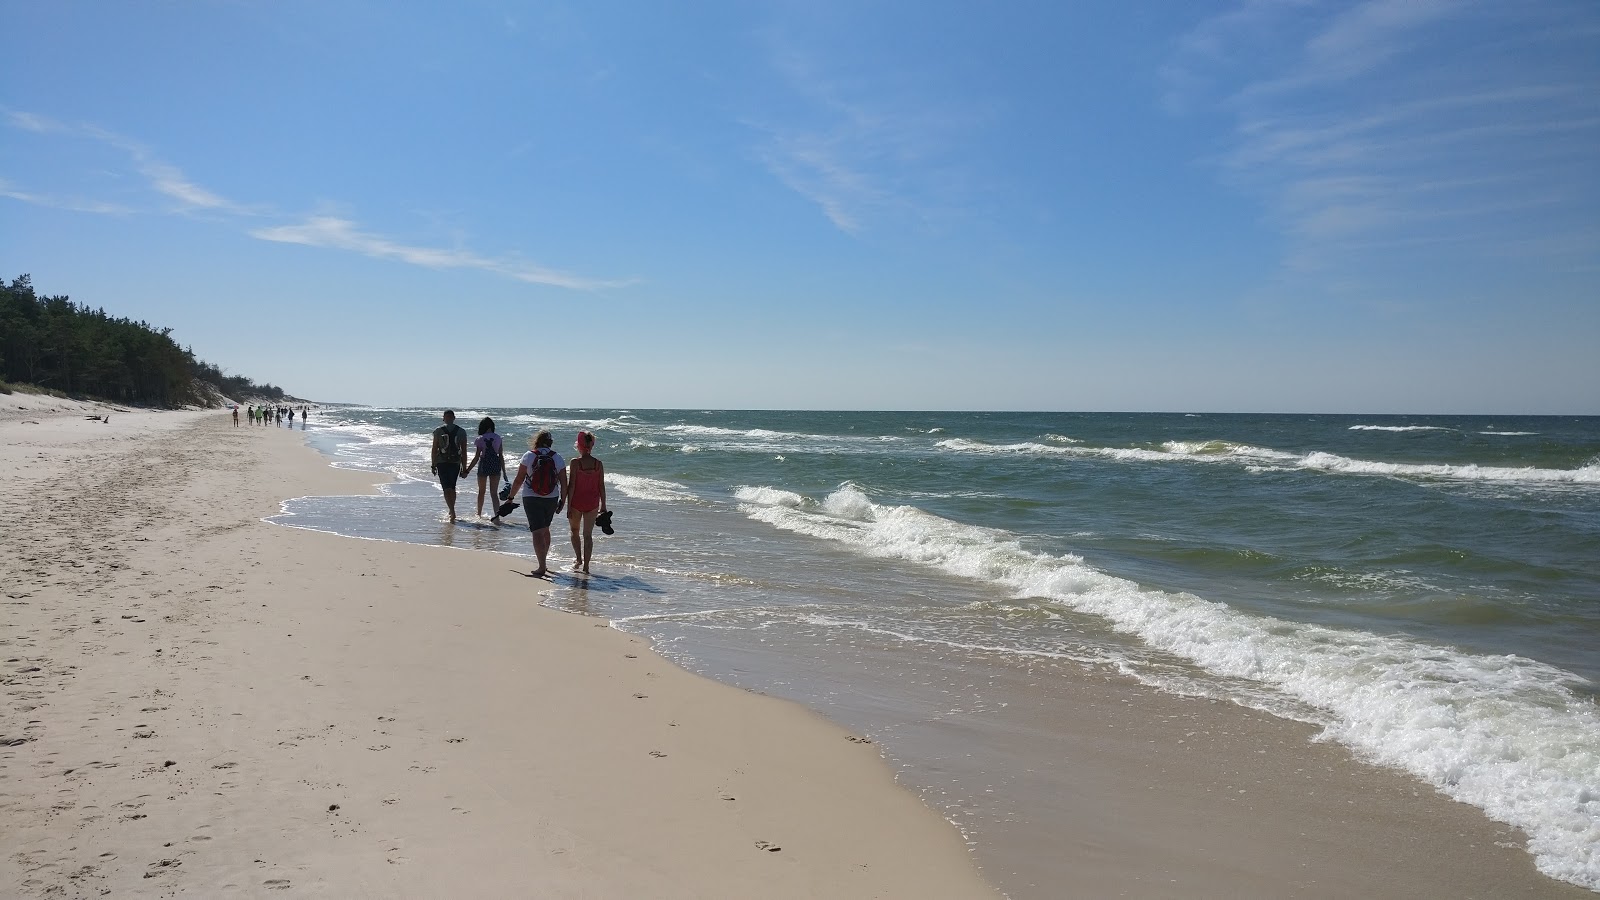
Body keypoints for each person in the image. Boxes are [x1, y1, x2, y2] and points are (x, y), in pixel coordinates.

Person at [502, 429, 568, 577]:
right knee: (545, 529)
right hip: (552, 497)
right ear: (550, 443)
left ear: (536, 441)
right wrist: (563, 500)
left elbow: (519, 479)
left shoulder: (529, 456)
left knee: (537, 531)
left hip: (531, 497)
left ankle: (542, 566)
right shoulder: (557, 458)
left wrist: (511, 497)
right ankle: (544, 562)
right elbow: (564, 482)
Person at [566, 431, 607, 574]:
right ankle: (586, 567)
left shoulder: (575, 463)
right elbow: (601, 486)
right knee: (588, 535)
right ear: (591, 445)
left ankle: (578, 559)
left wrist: (568, 504)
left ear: (579, 445)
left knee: (574, 531)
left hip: (577, 502)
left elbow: (571, 485)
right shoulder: (598, 464)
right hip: (593, 503)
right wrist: (604, 506)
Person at [462, 416, 507, 523]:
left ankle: (479, 514)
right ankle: (497, 517)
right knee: (494, 493)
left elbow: (477, 457)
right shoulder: (498, 438)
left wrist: (467, 470)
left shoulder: (480, 439)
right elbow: (500, 455)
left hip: (484, 465)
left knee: (481, 492)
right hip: (495, 464)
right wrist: (504, 471)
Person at [430, 410, 470, 523]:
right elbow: (464, 451)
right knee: (452, 487)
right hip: (455, 463)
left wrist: (433, 465)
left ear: (444, 418)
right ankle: (452, 509)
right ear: (454, 418)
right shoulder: (461, 431)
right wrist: (464, 468)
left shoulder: (438, 431)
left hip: (441, 462)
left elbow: (434, 449)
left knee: (446, 488)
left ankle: (452, 511)